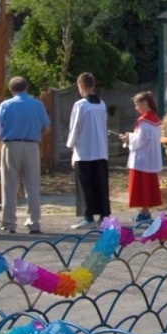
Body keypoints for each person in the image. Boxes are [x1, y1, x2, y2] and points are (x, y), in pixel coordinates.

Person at [0, 77, 51, 234]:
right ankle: (34, 222)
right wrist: (35, 134)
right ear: (26, 88)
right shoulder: (37, 105)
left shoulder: (6, 105)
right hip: (31, 145)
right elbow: (46, 128)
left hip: (11, 144)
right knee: (32, 186)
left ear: (11, 90)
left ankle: (9, 222)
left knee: (9, 186)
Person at [67, 72, 110, 227]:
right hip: (101, 150)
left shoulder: (80, 105)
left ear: (81, 86)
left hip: (84, 151)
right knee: (101, 185)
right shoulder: (102, 104)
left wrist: (71, 145)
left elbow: (75, 127)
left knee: (85, 185)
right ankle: (104, 216)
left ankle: (88, 216)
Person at [125, 91, 162, 221]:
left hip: (142, 159)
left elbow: (140, 140)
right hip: (150, 158)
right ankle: (145, 211)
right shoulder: (155, 119)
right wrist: (131, 136)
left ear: (145, 103)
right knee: (147, 187)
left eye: (137, 104)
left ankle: (145, 213)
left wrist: (128, 138)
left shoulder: (144, 121)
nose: (136, 108)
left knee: (142, 187)